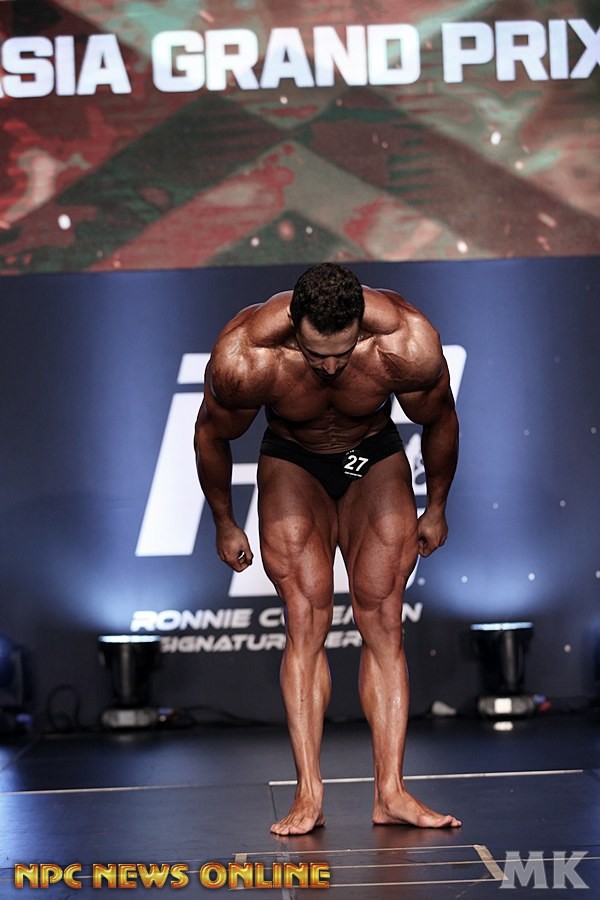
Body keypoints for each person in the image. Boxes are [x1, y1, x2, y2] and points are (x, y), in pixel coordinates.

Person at [194, 262, 461, 835]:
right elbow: (211, 434)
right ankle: (308, 793)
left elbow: (441, 417)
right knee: (305, 618)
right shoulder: (247, 356)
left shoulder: (406, 343)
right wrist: (224, 522)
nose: (333, 368)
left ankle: (391, 792)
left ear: (361, 325)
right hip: (295, 460)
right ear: (295, 326)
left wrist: (436, 506)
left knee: (383, 619)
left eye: (343, 353)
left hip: (371, 456)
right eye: (318, 356)